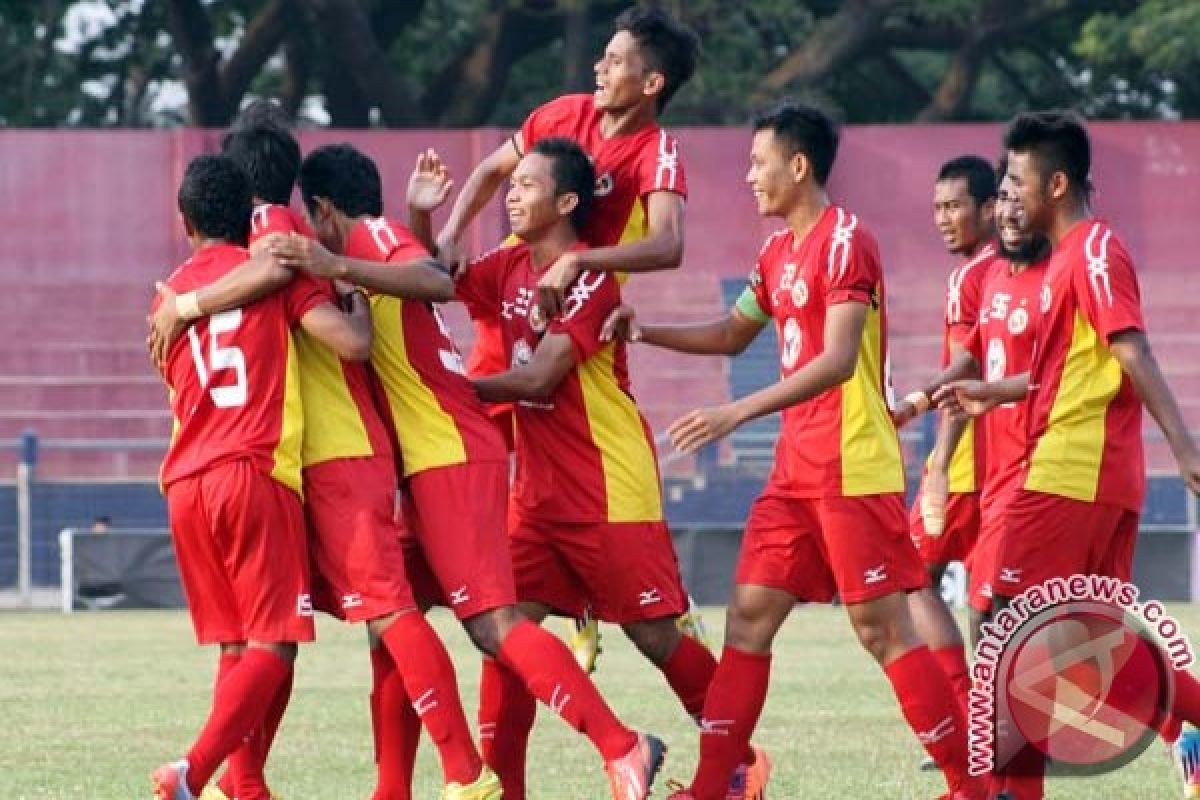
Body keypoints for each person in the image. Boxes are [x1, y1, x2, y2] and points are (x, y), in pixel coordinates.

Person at [603, 100, 987, 800]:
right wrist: (644, 330)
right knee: (748, 616)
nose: (751, 177)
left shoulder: (847, 240)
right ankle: (719, 783)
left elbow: (839, 360)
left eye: (760, 163)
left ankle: (972, 786)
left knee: (883, 631)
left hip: (851, 464)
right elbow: (729, 333)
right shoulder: (776, 253)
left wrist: (737, 411)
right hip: (794, 471)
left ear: (799, 165)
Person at [268, 142, 668, 800]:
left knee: (494, 625)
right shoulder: (373, 247)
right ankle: (392, 788)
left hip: (450, 455)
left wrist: (334, 262)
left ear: (324, 209)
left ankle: (623, 746)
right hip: (428, 466)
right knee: (393, 619)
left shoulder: (369, 236)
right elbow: (430, 274)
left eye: (310, 222)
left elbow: (434, 280)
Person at [149, 109, 498, 800]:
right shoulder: (265, 242)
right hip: (291, 464)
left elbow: (349, 338)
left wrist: (184, 307)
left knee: (378, 616)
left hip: (338, 453)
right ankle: (248, 783)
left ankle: (466, 774)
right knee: (271, 636)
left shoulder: (274, 234)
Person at [444, 136, 769, 800]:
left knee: (652, 634)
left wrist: (446, 391)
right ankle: (505, 789)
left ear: (567, 202)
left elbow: (540, 377)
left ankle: (740, 767)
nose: (511, 193)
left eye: (526, 185)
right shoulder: (507, 265)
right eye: (511, 183)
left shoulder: (590, 275)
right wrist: (427, 218)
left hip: (608, 487)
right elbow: (439, 276)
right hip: (536, 495)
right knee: (504, 632)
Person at [938, 111, 1200, 800]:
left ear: (1055, 184)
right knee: (1093, 660)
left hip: (1066, 475)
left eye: (1017, 180)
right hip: (1092, 479)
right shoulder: (1065, 259)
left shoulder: (1092, 249)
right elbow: (1066, 372)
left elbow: (1130, 349)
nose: (1008, 195)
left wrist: (1185, 446)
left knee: (1000, 626)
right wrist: (987, 391)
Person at [435, 5, 703, 672]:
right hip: (516, 296)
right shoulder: (561, 115)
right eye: (602, 56)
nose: (599, 67)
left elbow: (669, 244)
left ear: (651, 83)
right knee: (477, 445)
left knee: (529, 408)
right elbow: (490, 172)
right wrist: (442, 238)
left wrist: (580, 260)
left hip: (577, 306)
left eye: (616, 61)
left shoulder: (657, 150)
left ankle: (586, 597)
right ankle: (561, 597)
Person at [149, 153, 366, 800]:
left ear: (183, 220)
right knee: (273, 647)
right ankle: (192, 771)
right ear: (250, 217)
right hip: (253, 472)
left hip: (186, 482)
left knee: (236, 650)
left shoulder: (166, 297)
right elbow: (349, 344)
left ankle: (246, 792)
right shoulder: (269, 270)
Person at [894, 155, 999, 723]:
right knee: (989, 600)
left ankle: (967, 715)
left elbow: (963, 375)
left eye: (954, 206)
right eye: (937, 207)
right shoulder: (1013, 269)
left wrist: (939, 464)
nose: (942, 218)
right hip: (1012, 464)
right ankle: (993, 722)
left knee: (909, 579)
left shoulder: (970, 277)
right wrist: (915, 402)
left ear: (987, 208)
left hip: (966, 465)